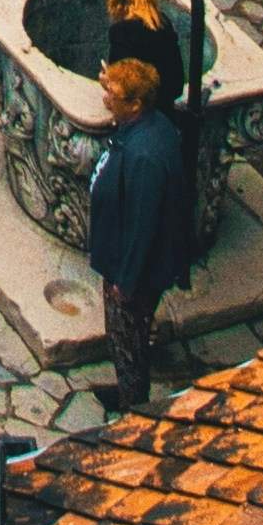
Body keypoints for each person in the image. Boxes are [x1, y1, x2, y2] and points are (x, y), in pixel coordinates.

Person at [85, 55, 196, 413]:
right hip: (126, 259)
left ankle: (133, 405)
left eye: (113, 94)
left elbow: (142, 226)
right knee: (128, 335)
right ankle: (128, 387)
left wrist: (126, 280)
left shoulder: (144, 156)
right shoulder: (151, 126)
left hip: (131, 271)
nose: (106, 98)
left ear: (134, 104)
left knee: (126, 337)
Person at [93, 0, 190, 105]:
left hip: (143, 113)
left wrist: (107, 82)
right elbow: (175, 85)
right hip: (166, 106)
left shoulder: (122, 33)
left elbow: (124, 95)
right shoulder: (162, 21)